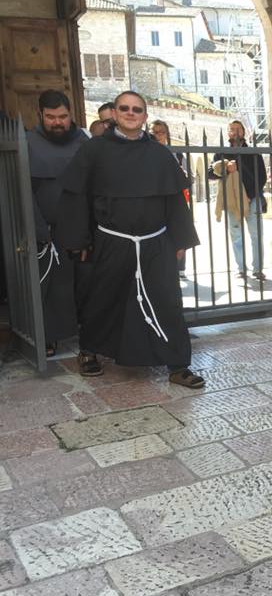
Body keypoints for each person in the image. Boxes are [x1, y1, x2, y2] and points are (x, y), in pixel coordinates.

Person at [54, 91, 205, 388]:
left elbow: (175, 201)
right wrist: (80, 240)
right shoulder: (94, 151)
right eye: (124, 108)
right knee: (103, 298)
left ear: (145, 116)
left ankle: (177, 365)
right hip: (112, 240)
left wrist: (180, 241)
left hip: (155, 243)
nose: (131, 113)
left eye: (137, 109)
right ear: (115, 113)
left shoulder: (160, 154)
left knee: (167, 301)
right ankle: (89, 352)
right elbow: (78, 198)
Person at [26, 90, 88, 357]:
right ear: (40, 115)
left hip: (83, 225)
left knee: (88, 283)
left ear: (70, 114)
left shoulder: (83, 141)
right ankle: (49, 336)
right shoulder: (27, 142)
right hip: (49, 229)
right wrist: (39, 229)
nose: (57, 122)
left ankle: (92, 337)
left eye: (62, 116)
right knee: (53, 288)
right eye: (51, 117)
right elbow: (24, 191)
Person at [211, 120, 267, 281]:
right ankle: (241, 269)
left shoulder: (254, 152)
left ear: (244, 132)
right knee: (236, 235)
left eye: (238, 129)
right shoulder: (221, 153)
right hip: (231, 199)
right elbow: (210, 173)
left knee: (256, 235)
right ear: (228, 133)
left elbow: (261, 177)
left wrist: (249, 195)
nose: (235, 132)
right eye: (232, 129)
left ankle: (258, 269)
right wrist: (225, 168)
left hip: (252, 198)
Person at [150, 119, 191, 279]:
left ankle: (180, 268)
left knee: (179, 231)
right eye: (155, 132)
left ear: (167, 134)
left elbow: (189, 178)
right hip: (156, 200)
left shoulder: (178, 153)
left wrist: (183, 175)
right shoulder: (147, 152)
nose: (158, 135)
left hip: (176, 198)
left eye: (161, 132)